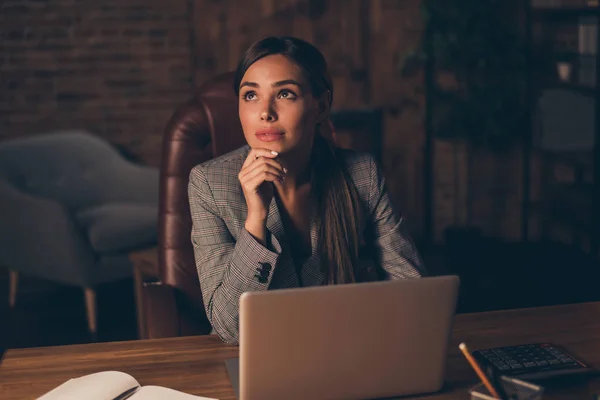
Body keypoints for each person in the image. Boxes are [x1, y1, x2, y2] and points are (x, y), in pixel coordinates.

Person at [188, 36, 426, 345]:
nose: (265, 112)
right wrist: (255, 223)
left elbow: (412, 290)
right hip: (258, 353)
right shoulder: (208, 183)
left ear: (321, 105)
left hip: (347, 345)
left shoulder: (361, 173)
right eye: (250, 96)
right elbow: (229, 329)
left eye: (285, 93)